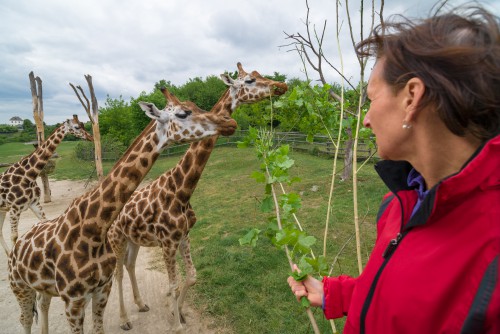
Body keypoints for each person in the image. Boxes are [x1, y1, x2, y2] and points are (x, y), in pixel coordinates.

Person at [287, 3, 499, 333]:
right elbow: (399, 297)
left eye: (371, 98)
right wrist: (335, 294)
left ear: (412, 97)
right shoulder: (401, 203)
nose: (366, 119)